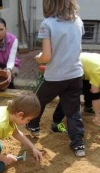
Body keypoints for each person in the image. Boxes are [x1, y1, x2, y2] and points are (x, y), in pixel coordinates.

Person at [25, 0, 85, 157]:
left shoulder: (48, 24)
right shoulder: (78, 21)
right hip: (75, 74)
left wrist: (39, 58)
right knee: (73, 111)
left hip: (55, 77)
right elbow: (76, 47)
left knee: (38, 101)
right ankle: (78, 144)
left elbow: (46, 56)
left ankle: (34, 126)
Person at [52, 53, 100, 129]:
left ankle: (88, 107)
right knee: (69, 96)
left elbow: (93, 89)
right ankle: (56, 122)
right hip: (67, 69)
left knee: (90, 85)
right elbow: (95, 96)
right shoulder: (97, 72)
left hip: (80, 69)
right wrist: (97, 115)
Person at [0, 17, 21, 89]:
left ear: (6, 29)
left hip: (12, 64)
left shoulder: (14, 40)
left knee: (7, 75)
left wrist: (8, 70)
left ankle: (11, 85)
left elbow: (11, 59)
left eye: (1, 29)